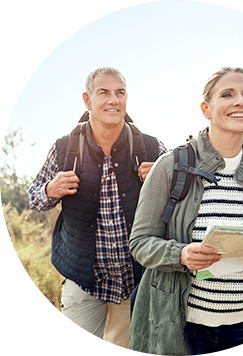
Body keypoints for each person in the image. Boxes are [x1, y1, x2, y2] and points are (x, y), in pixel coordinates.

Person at [129, 67, 243, 355]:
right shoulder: (170, 167)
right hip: (187, 329)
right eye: (227, 94)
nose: (240, 101)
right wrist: (181, 254)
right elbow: (140, 243)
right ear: (206, 109)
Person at [28, 67, 167, 348]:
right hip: (82, 280)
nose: (113, 100)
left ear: (127, 98)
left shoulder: (152, 148)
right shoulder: (63, 148)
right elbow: (34, 198)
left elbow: (182, 204)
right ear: (87, 100)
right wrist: (49, 190)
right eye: (104, 92)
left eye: (120, 92)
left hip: (135, 279)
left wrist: (163, 183)